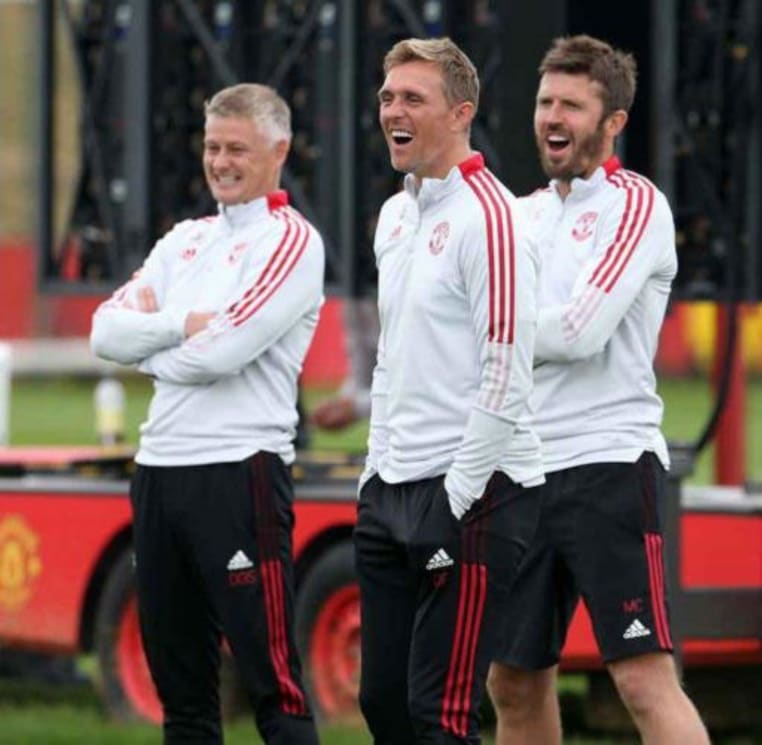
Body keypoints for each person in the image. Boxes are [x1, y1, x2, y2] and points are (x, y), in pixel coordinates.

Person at [486, 35, 710, 744]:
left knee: (642, 679)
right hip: (521, 471)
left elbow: (580, 332)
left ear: (613, 121)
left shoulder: (637, 205)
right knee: (512, 681)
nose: (553, 117)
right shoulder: (517, 215)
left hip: (607, 464)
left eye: (572, 106)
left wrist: (493, 330)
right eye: (545, 102)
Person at [90, 83, 323, 745]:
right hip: (159, 473)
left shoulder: (292, 241)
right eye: (212, 146)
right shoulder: (185, 239)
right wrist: (181, 324)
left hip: (239, 472)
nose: (220, 162)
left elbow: (220, 354)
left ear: (278, 151)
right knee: (183, 697)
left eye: (237, 149)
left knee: (273, 686)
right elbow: (103, 332)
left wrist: (150, 349)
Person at [354, 37, 545, 744]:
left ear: (462, 113)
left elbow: (507, 372)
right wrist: (374, 475)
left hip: (477, 492)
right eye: (387, 97)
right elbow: (393, 358)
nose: (392, 111)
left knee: (440, 715)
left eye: (413, 98)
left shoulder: (491, 217)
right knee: (382, 703)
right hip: (393, 488)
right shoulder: (395, 215)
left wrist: (453, 498)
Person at [309, 296, 378, 430]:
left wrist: (355, 407)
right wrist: (343, 403)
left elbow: (411, 387)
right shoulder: (353, 300)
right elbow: (362, 368)